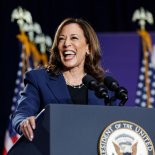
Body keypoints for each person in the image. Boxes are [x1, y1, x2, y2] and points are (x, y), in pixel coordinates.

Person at [11, 17, 106, 141]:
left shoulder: (103, 84)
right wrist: (23, 122)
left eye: (74, 38)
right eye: (61, 39)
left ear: (88, 47)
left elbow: (117, 121)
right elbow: (21, 113)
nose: (66, 44)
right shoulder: (39, 79)